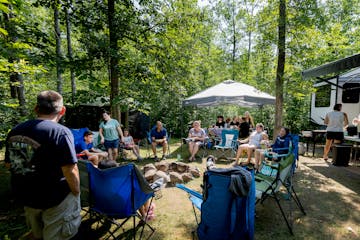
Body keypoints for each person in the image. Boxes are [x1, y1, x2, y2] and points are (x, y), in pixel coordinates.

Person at [4, 90, 81, 240]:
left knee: (37, 235)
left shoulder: (15, 130)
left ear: (36, 109)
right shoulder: (61, 132)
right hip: (56, 199)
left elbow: (8, 164)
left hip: (27, 197)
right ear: (62, 110)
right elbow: (70, 170)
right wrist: (76, 192)